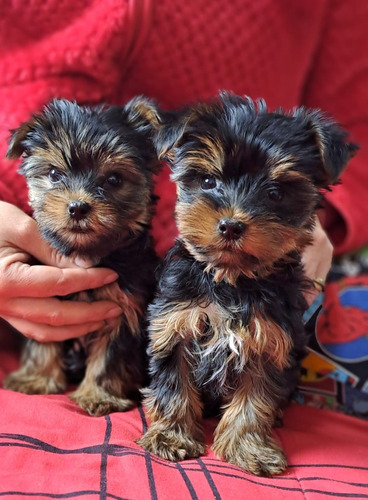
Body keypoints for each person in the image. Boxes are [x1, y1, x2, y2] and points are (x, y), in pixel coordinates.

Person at [0, 0, 366, 342]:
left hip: (264, 276)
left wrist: (298, 215)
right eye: (206, 180)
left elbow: (357, 134)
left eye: (113, 179)